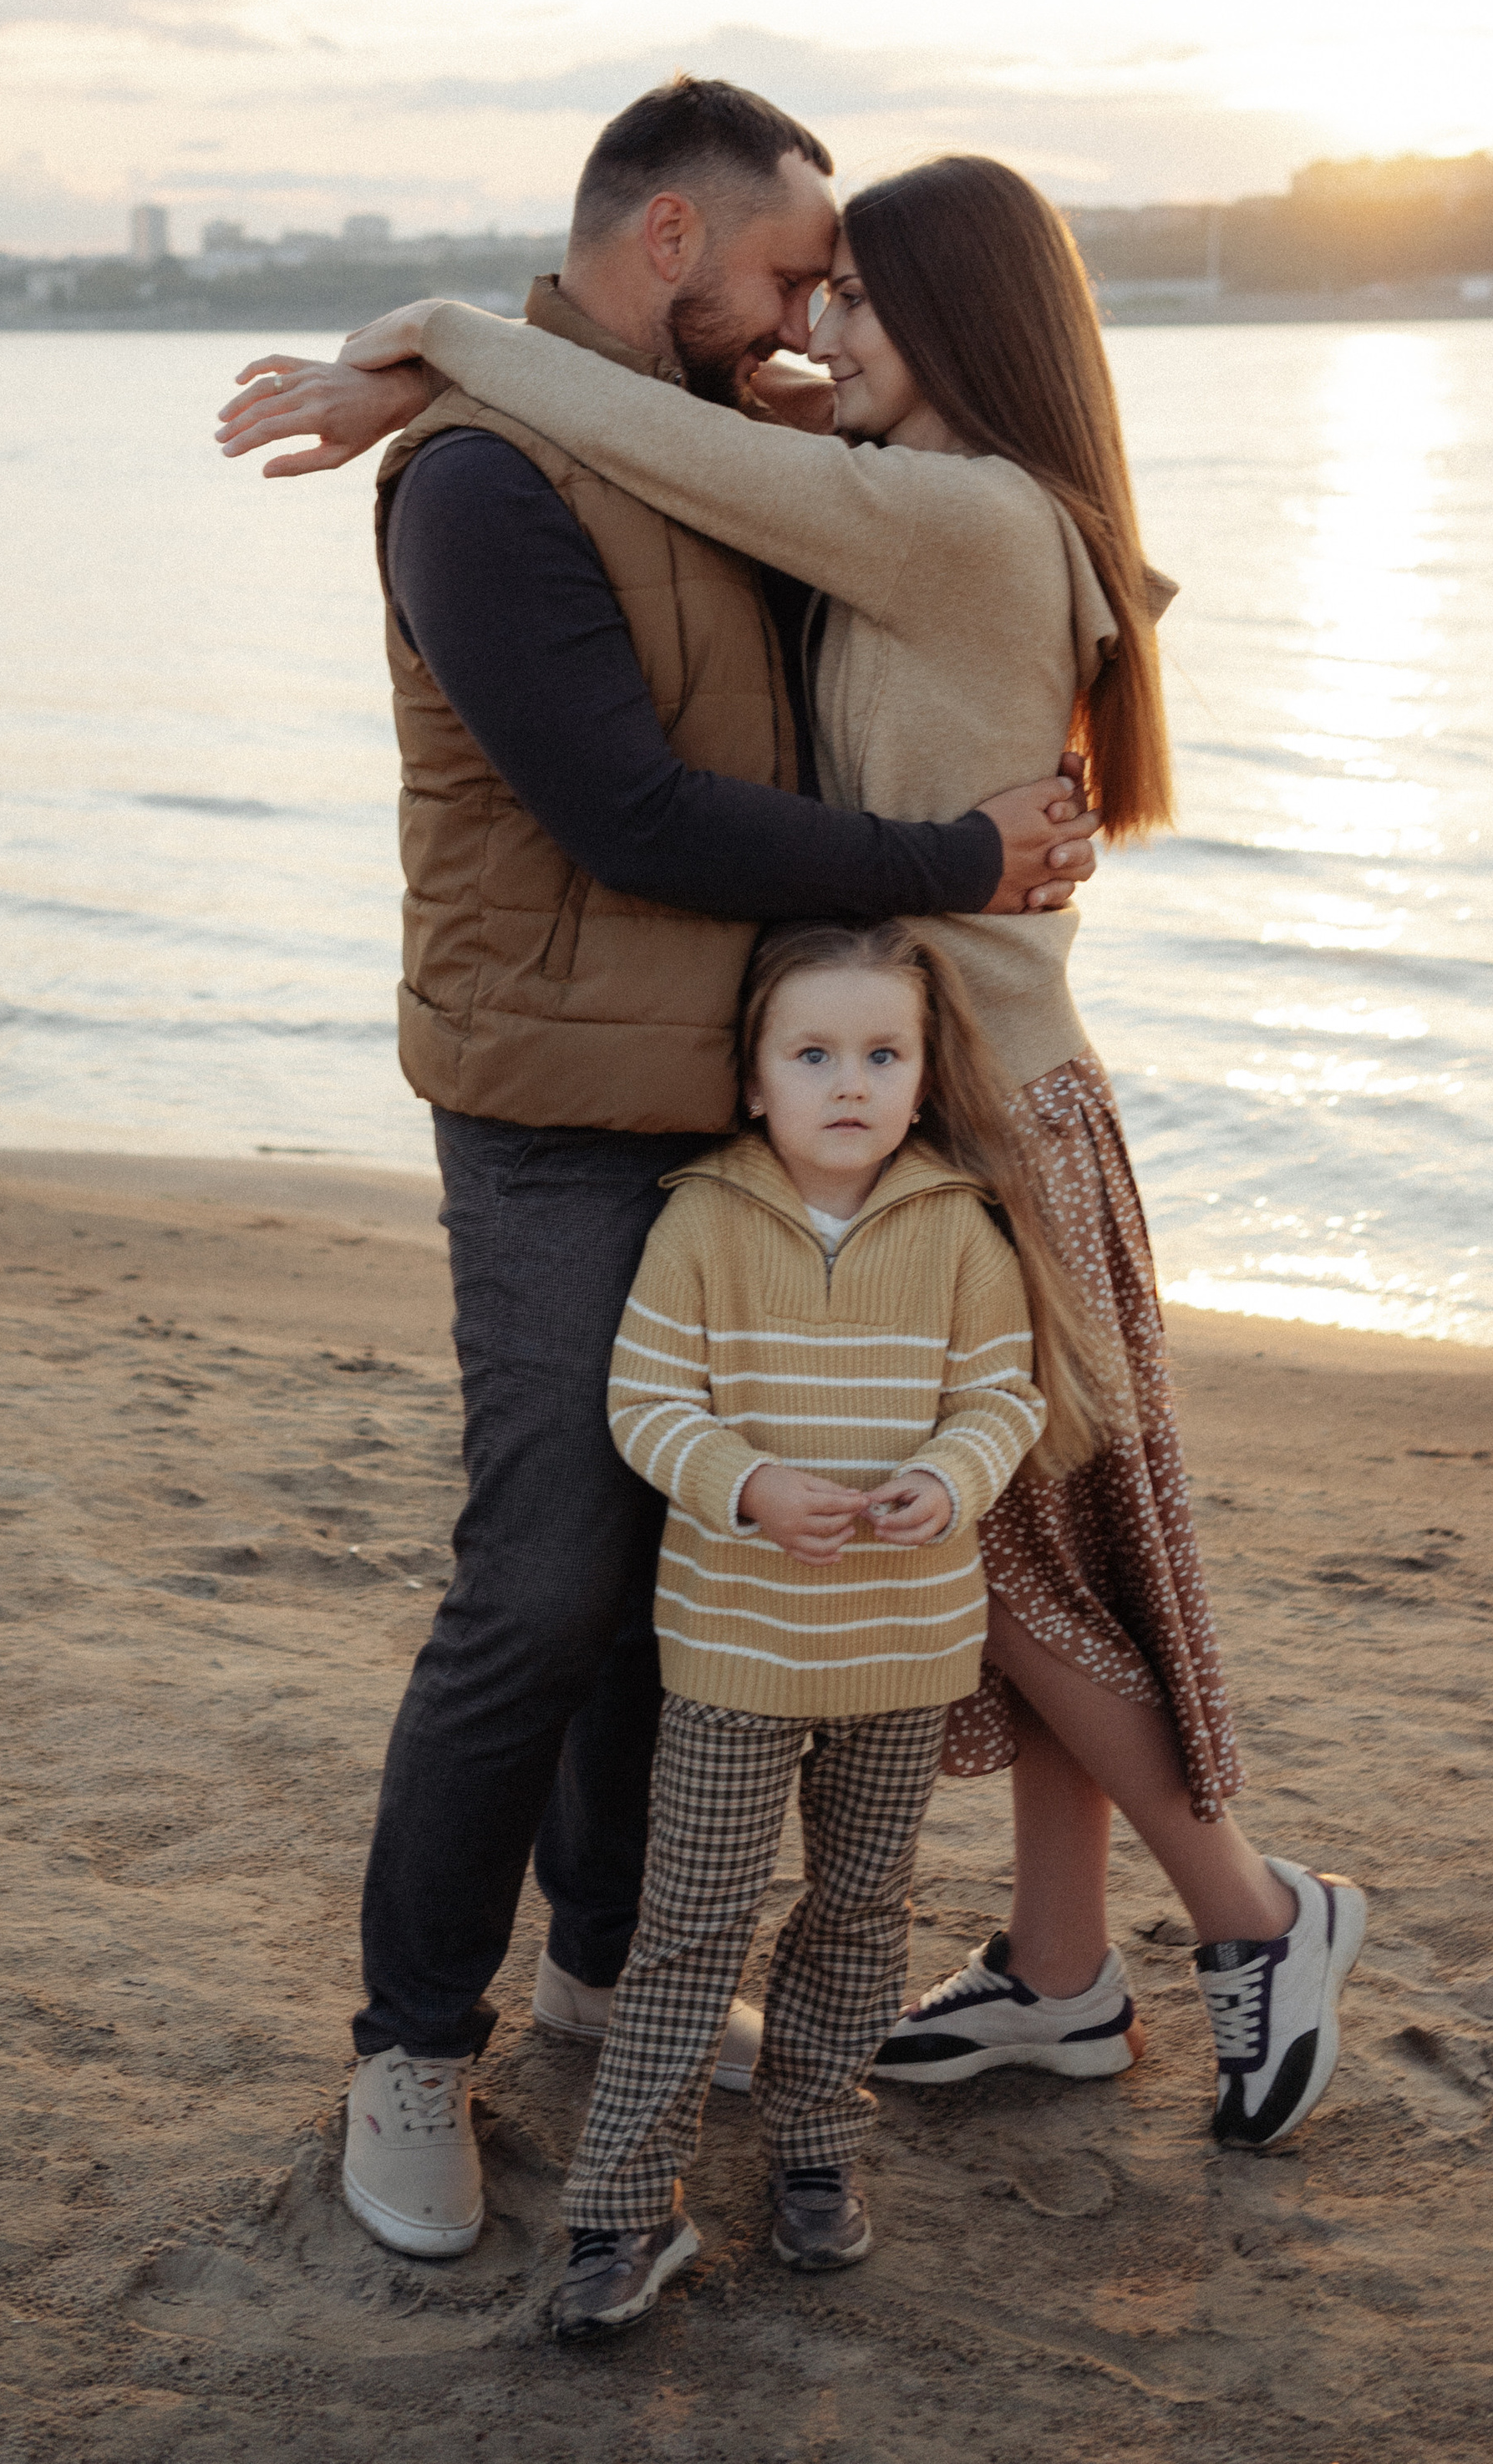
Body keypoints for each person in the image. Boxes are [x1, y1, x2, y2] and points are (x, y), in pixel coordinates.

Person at [331, 150, 1369, 2154]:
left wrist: (447, 345)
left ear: (959, 330)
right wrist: (483, 406)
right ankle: (1062, 1977)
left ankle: (1255, 1914)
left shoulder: (957, 521)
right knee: (1035, 1554)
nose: (815, 332)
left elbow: (706, 452)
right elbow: (729, 439)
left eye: (860, 304)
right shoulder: (965, 501)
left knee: (989, 1565)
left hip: (981, 1111)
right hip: (969, 1102)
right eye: (811, 292)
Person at [215, 82, 1100, 2261]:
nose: (814, 320)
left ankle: (611, 1972)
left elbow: (931, 541)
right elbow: (630, 812)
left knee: (669, 1586)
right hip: (546, 1113)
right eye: (798, 272)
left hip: (727, 1105)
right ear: (679, 244)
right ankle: (414, 2047)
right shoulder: (489, 483)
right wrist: (957, 859)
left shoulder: (687, 443)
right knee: (537, 1585)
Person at [549, 917, 1066, 2341]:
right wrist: (751, 1484)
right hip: (733, 1648)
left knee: (856, 1916)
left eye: (883, 1054)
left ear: (921, 1075)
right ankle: (619, 2207)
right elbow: (647, 1406)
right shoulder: (702, 1218)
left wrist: (949, 1482)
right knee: (691, 1928)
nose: (852, 1082)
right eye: (816, 1052)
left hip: (904, 1652)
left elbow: (1002, 1402)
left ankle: (814, 2152)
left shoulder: (960, 1224)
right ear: (756, 1078)